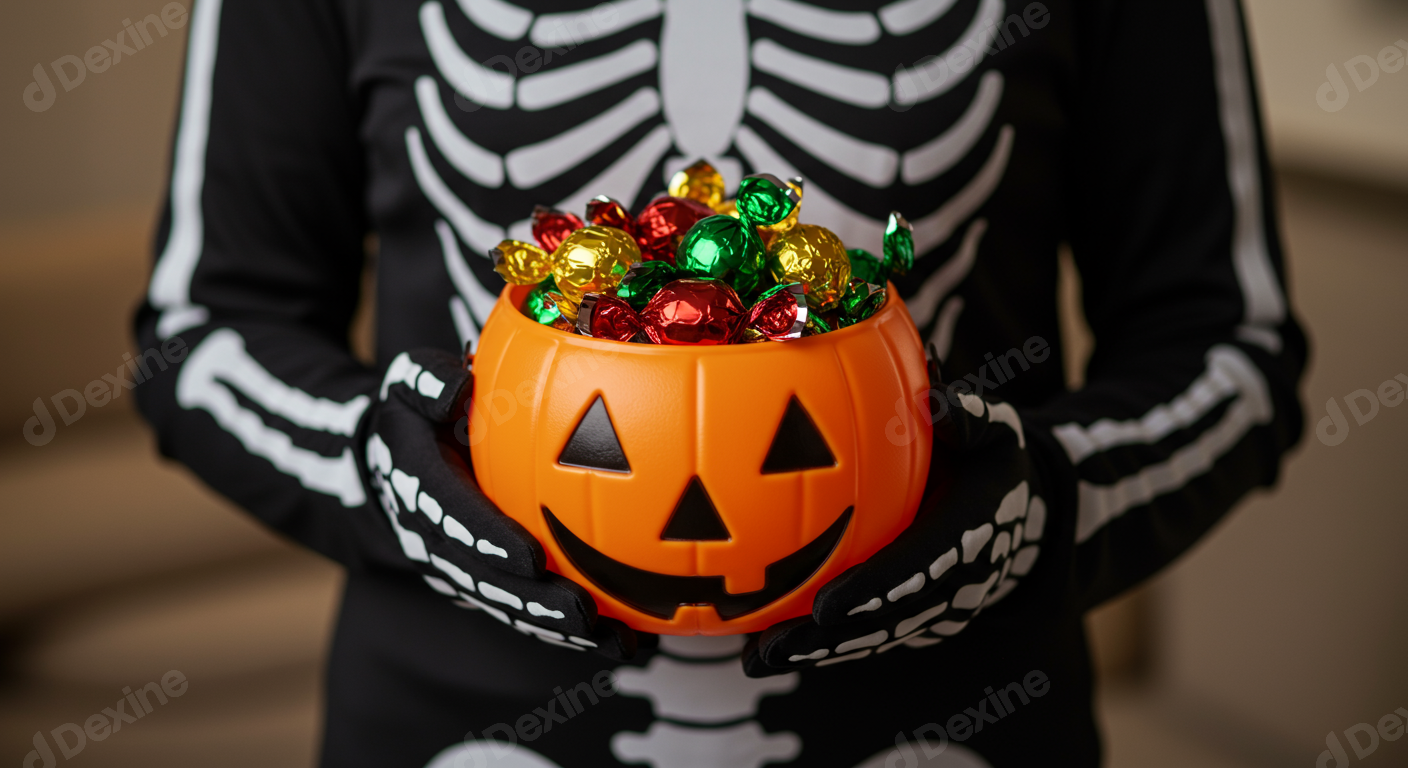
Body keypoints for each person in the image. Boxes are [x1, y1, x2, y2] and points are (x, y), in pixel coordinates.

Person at [133, 0, 1305, 765]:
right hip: (463, 733)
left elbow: (1229, 348)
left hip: (953, 727)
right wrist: (378, 469)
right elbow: (199, 333)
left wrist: (1041, 511)